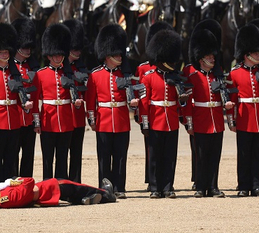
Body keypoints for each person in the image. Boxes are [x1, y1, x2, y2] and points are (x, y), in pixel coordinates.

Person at [86, 24, 138, 198]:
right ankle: (105, 187)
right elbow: (91, 100)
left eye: (120, 53)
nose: (119, 57)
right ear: (107, 56)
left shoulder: (125, 75)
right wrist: (92, 119)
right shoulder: (95, 75)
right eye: (116, 54)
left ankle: (119, 187)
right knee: (104, 157)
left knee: (120, 156)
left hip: (122, 119)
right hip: (104, 119)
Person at [227, 23, 259, 198]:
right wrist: (231, 121)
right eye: (256, 53)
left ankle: (256, 185)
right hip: (244, 118)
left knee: (258, 154)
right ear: (247, 54)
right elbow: (232, 100)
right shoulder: (235, 74)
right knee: (244, 154)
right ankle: (243, 185)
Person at [184, 25, 234, 198]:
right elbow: (188, 102)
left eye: (213, 55)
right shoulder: (191, 75)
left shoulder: (217, 75)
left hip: (216, 120)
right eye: (208, 56)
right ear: (200, 58)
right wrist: (189, 123)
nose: (212, 58)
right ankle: (200, 185)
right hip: (200, 119)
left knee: (214, 155)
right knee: (201, 156)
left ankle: (213, 186)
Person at [0, 23, 31, 186]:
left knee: (11, 158)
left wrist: (25, 105)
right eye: (1, 51)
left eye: (6, 51)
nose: (4, 53)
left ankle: (12, 187)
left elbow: (20, 96)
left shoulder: (15, 73)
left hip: (13, 120)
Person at [139, 29, 184, 198]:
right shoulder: (148, 77)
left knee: (169, 156)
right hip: (155, 120)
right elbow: (144, 103)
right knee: (155, 156)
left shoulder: (175, 77)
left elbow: (180, 101)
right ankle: (154, 187)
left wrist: (183, 99)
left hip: (170, 120)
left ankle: (167, 186)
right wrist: (145, 123)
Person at [31, 24, 77, 180]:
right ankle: (48, 184)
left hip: (65, 120)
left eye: (60, 55)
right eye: (55, 55)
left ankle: (62, 185)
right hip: (48, 121)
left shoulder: (69, 73)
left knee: (63, 157)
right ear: (49, 56)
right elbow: (35, 99)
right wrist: (37, 123)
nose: (58, 58)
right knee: (47, 159)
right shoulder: (41, 75)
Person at [0, 177, 116, 210]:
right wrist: (12, 181)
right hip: (49, 189)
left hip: (47, 194)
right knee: (76, 186)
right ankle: (106, 194)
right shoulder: (5, 198)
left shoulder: (1, 200)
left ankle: (84, 199)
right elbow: (29, 183)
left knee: (75, 193)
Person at [12, 18, 40, 178]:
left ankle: (27, 182)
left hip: (29, 119)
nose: (28, 50)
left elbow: (36, 97)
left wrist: (36, 120)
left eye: (29, 47)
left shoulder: (32, 68)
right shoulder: (10, 67)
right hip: (15, 117)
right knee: (13, 154)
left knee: (28, 154)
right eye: (24, 46)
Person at [64, 19, 88, 183]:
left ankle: (75, 181)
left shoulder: (81, 67)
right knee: (61, 154)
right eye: (74, 49)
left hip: (78, 117)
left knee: (76, 153)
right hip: (64, 117)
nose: (77, 52)